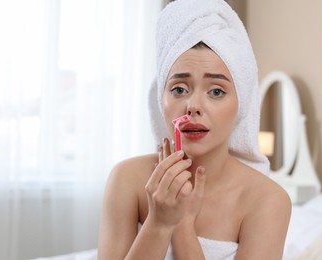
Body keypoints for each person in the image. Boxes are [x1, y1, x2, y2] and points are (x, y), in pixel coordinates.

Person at [98, 0, 291, 259]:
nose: (193, 106)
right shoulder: (127, 179)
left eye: (216, 91)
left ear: (241, 104)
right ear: (160, 98)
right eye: (179, 89)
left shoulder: (267, 200)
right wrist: (159, 221)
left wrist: (182, 225)